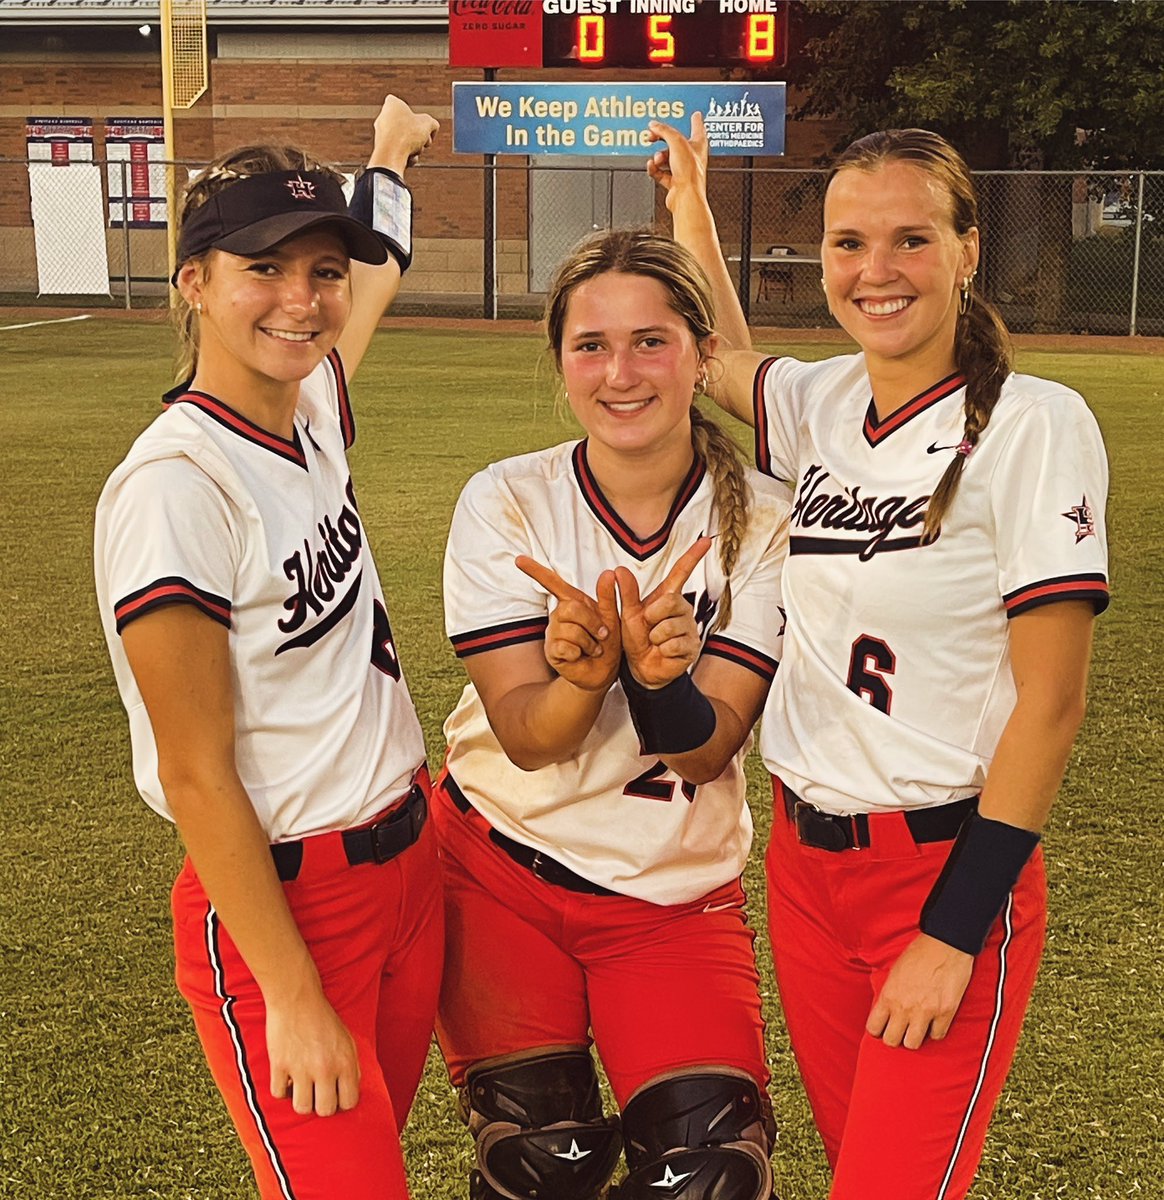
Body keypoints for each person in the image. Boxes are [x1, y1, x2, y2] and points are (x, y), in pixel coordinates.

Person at [645, 115, 1110, 1200]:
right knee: (866, 1168)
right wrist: (693, 212)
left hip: (945, 870)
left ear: (969, 247)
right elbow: (719, 360)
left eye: (910, 239)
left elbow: (1052, 706)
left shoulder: (1034, 425)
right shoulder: (822, 402)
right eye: (850, 243)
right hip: (809, 876)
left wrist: (953, 932)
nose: (876, 270)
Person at [94, 95, 441, 1200]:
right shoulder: (173, 488)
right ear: (193, 279)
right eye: (263, 268)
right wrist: (290, 994)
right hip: (291, 914)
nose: (302, 299)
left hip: (407, 874)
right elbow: (195, 770)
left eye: (319, 270)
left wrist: (386, 155)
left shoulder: (311, 407)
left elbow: (378, 266)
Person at [433, 228, 791, 1200]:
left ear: (700, 354)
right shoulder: (507, 500)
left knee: (709, 1176)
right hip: (501, 863)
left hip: (669, 892)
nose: (620, 372)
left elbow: (711, 748)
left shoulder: (760, 518)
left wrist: (660, 683)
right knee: (543, 1166)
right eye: (591, 344)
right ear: (560, 361)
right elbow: (526, 736)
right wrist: (587, 678)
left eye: (651, 341)